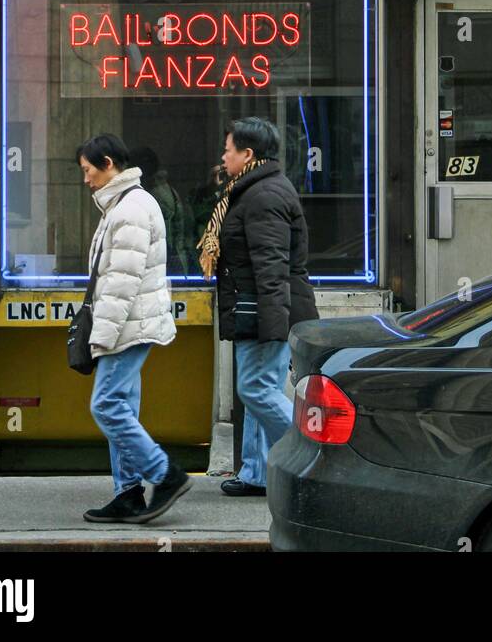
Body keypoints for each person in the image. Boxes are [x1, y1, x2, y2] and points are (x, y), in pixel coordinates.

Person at [197, 117, 318, 497]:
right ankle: (256, 473)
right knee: (258, 388)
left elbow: (272, 266)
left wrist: (274, 325)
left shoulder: (263, 196)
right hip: (256, 307)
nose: (223, 154)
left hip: (266, 308)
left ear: (247, 154)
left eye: (228, 148)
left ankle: (316, 458)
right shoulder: (250, 190)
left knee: (255, 388)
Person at [78, 133, 191, 524]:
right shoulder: (127, 204)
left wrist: (101, 339)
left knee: (105, 405)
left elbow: (119, 283)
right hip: (133, 323)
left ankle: (165, 474)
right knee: (122, 407)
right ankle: (127, 494)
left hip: (128, 327)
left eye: (89, 170)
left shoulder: (130, 209)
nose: (86, 179)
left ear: (109, 163)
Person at [130, 145, 197, 276]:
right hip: (172, 260)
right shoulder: (162, 190)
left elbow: (165, 239)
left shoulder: (155, 194)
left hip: (168, 264)